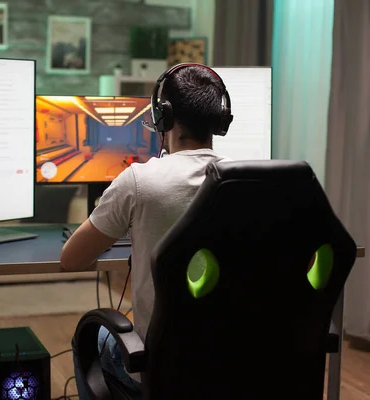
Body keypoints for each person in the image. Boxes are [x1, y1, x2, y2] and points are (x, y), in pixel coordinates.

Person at [60, 63, 232, 398]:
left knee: (92, 340)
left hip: (161, 368)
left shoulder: (139, 181)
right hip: (230, 362)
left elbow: (72, 259)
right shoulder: (245, 182)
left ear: (162, 116)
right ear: (220, 119)